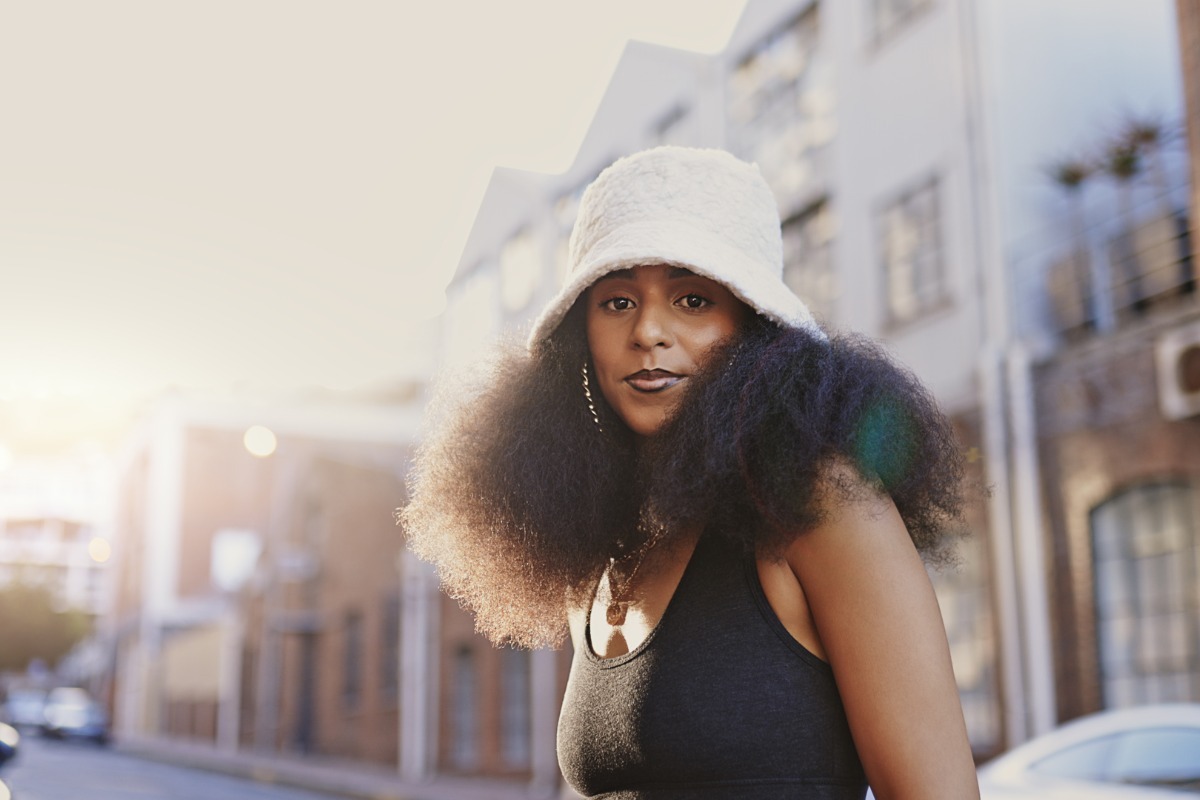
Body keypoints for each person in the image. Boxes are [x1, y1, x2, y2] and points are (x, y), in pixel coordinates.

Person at [402, 146, 980, 799]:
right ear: (580, 337)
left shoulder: (821, 504)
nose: (649, 330)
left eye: (693, 299)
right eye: (617, 302)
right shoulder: (599, 553)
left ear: (755, 328)